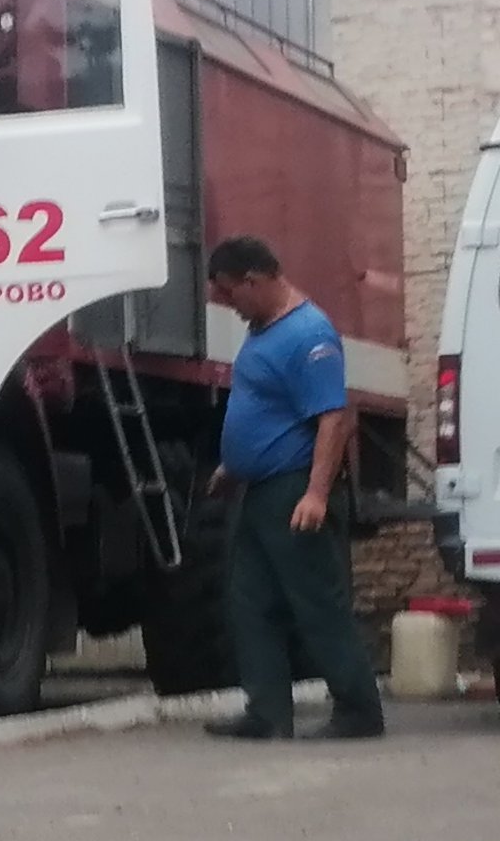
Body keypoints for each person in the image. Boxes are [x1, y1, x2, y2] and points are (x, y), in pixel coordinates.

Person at [202, 235, 385, 740]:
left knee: (316, 601)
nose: (229, 307)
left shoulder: (309, 334)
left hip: (293, 491)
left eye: (229, 294)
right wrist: (233, 466)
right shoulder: (264, 329)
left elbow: (333, 418)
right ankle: (267, 712)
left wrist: (317, 495)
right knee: (249, 600)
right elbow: (267, 409)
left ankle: (358, 710)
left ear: (254, 282)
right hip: (257, 489)